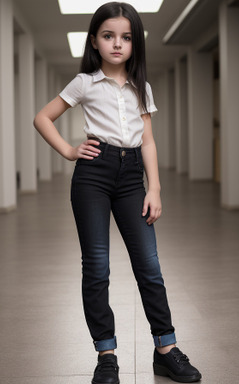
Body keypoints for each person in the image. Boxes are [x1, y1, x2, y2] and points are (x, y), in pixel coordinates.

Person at [34, 2, 202, 383]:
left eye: (126, 37)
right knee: (97, 267)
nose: (117, 44)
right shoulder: (84, 83)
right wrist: (69, 150)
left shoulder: (142, 87)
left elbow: (148, 142)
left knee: (149, 265)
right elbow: (42, 117)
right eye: (108, 36)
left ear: (134, 44)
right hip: (92, 175)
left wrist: (154, 187)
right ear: (94, 41)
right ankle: (106, 356)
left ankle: (166, 349)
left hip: (131, 179)